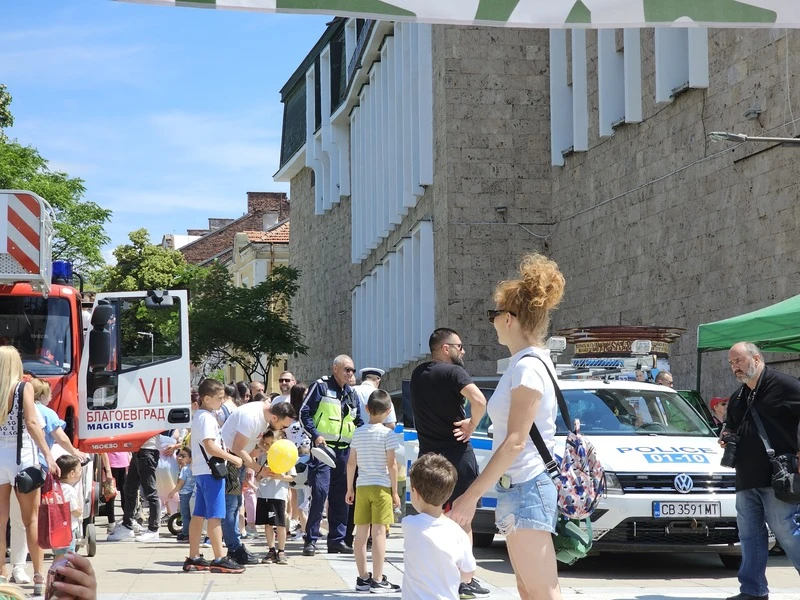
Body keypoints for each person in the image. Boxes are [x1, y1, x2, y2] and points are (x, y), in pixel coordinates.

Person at [450, 252, 565, 600]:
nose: (492, 321)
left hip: (528, 486)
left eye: (494, 314)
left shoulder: (528, 367)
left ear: (511, 319)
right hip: (518, 486)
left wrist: (470, 498)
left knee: (542, 592)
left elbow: (515, 440)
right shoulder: (522, 364)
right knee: (528, 590)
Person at [409, 328, 488, 597]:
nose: (462, 351)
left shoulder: (418, 374)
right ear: (446, 348)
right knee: (463, 519)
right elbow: (479, 400)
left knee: (431, 517)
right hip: (457, 456)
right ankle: (466, 579)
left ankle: (437, 571)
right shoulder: (455, 373)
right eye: (459, 346)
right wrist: (472, 424)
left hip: (429, 460)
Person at [720, 342, 800, 600]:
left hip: (778, 477)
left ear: (756, 358)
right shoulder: (738, 397)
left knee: (786, 531)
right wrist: (726, 436)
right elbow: (730, 426)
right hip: (746, 476)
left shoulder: (786, 385)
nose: (735, 367)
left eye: (739, 361)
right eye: (732, 363)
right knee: (750, 536)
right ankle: (753, 591)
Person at [10, 378, 87, 585]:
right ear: (43, 395)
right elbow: (61, 438)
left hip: (13, 469)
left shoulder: (9, 406)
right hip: (38, 471)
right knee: (36, 520)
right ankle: (40, 569)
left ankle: (17, 567)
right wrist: (75, 452)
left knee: (16, 521)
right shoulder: (45, 412)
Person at [0, 346, 59, 594]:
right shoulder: (24, 388)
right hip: (22, 456)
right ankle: (37, 575)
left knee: (0, 521)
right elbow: (33, 423)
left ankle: (1, 574)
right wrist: (48, 454)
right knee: (30, 520)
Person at [300, 355, 364, 556]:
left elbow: (358, 421)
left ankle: (337, 539)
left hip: (345, 451)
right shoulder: (320, 387)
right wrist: (316, 435)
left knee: (342, 497)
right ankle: (310, 539)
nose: (350, 373)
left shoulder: (352, 394)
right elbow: (304, 413)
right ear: (335, 368)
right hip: (324, 449)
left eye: (352, 370)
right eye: (347, 369)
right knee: (319, 493)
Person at [219, 397, 296, 565]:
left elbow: (252, 444)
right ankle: (234, 549)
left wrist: (264, 451)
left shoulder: (265, 417)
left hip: (238, 462)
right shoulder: (252, 417)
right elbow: (237, 448)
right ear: (275, 418)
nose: (284, 430)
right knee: (231, 505)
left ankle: (236, 546)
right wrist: (259, 469)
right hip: (231, 461)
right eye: (283, 426)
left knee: (236, 503)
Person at [183, 378, 245, 574]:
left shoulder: (200, 416)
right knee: (216, 516)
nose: (221, 402)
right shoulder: (207, 418)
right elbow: (210, 446)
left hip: (202, 472)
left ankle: (194, 556)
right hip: (211, 472)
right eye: (219, 398)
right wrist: (233, 459)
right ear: (207, 398)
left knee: (199, 515)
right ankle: (219, 558)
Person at [346, 389, 401, 593]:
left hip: (362, 486)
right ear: (388, 411)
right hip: (381, 487)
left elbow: (351, 463)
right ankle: (378, 579)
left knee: (360, 533)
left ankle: (362, 578)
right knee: (379, 533)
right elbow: (392, 464)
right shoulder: (388, 434)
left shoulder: (358, 433)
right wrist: (394, 492)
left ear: (367, 409)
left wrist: (349, 487)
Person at [402, 453, 477, 600]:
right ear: (448, 495)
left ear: (415, 493)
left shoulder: (409, 524)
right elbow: (469, 573)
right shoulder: (458, 533)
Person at [107, 429, 167, 543]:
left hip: (147, 449)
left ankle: (153, 529)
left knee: (150, 491)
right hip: (139, 449)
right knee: (129, 488)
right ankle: (127, 526)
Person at [255, 430, 295, 565]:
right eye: (265, 444)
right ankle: (271, 549)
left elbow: (292, 477)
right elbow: (257, 475)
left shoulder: (286, 455)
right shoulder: (263, 456)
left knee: (280, 523)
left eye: (271, 443)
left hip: (278, 493)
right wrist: (262, 473)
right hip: (264, 493)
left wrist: (281, 476)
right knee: (267, 523)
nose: (268, 447)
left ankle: (281, 550)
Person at [54, 454, 83, 558]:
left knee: (58, 555)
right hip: (68, 529)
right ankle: (64, 573)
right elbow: (72, 509)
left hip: (56, 528)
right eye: (79, 470)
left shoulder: (54, 486)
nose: (80, 472)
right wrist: (79, 511)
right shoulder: (69, 490)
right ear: (72, 473)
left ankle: (55, 571)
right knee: (68, 556)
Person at [168, 448, 195, 542]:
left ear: (190, 458)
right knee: (190, 515)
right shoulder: (193, 468)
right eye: (179, 455)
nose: (180, 457)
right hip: (193, 493)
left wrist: (173, 492)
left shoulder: (185, 469)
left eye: (183, 456)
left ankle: (186, 534)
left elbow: (180, 483)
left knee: (185, 515)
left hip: (185, 494)